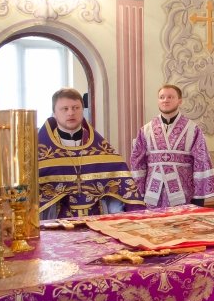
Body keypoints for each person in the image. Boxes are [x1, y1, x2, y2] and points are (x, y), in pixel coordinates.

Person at [38, 88, 144, 218]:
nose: (71, 113)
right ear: (54, 113)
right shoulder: (40, 152)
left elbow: (120, 195)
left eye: (76, 108)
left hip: (98, 221)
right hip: (57, 223)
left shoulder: (101, 149)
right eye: (64, 109)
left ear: (83, 110)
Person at [130, 84, 214, 208]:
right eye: (162, 97)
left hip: (184, 195)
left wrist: (198, 198)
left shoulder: (192, 129)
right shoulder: (146, 130)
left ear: (179, 101)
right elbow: (137, 163)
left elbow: (201, 162)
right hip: (153, 195)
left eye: (170, 97)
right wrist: (138, 194)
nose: (165, 100)